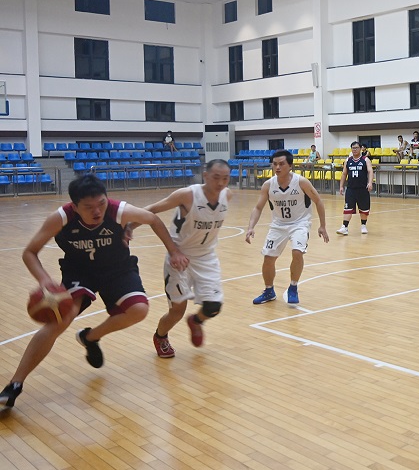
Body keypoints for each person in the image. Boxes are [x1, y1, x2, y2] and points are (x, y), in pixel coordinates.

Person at [1, 174, 189, 409]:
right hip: (80, 272)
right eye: (88, 207)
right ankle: (14, 385)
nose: (97, 211)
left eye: (101, 203)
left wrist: (173, 251)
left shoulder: (118, 211)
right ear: (74, 206)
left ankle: (90, 337)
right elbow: (29, 252)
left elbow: (152, 218)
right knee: (60, 320)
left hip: (117, 269)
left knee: (139, 310)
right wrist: (45, 281)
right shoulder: (61, 218)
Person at [141, 160, 232, 358]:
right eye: (216, 177)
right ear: (205, 176)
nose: (220, 183)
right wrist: (128, 228)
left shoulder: (227, 195)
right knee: (177, 311)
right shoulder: (187, 195)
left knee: (213, 307)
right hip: (180, 256)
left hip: (206, 257)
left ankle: (196, 321)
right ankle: (160, 336)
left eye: (225, 178)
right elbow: (151, 210)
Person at [246, 150, 329, 305]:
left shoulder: (301, 182)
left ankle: (293, 287)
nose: (277, 167)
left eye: (281, 164)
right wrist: (251, 227)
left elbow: (318, 201)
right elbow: (258, 208)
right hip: (278, 225)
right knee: (268, 258)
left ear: (290, 165)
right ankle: (269, 291)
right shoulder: (268, 185)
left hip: (300, 223)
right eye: (275, 164)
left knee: (297, 252)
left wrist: (322, 226)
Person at [338, 141, 375, 234]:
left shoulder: (365, 160)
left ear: (360, 149)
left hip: (362, 189)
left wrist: (370, 182)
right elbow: (344, 174)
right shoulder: (348, 160)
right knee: (348, 208)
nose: (354, 150)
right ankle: (344, 227)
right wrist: (341, 186)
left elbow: (370, 171)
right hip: (351, 189)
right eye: (353, 148)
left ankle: (363, 226)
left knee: (364, 209)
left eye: (356, 148)